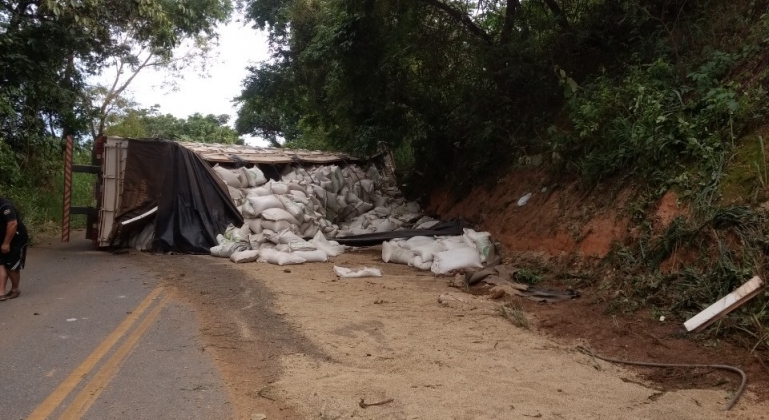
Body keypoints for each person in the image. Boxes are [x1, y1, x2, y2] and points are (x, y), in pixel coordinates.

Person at [0, 197, 28, 301]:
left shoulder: (5, 206)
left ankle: (15, 289)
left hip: (15, 237)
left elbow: (12, 224)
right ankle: (1, 292)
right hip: (2, 236)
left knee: (11, 264)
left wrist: (6, 243)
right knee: (1, 263)